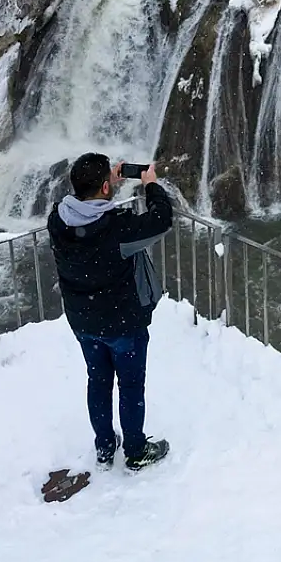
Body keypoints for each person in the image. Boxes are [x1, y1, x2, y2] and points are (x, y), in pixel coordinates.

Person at [48, 153, 172, 472]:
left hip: (83, 321)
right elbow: (162, 220)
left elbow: (86, 210)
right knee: (130, 386)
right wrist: (150, 185)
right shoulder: (117, 229)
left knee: (98, 381)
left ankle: (104, 447)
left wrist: (107, 185)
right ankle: (135, 450)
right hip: (123, 324)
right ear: (105, 185)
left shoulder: (57, 220)